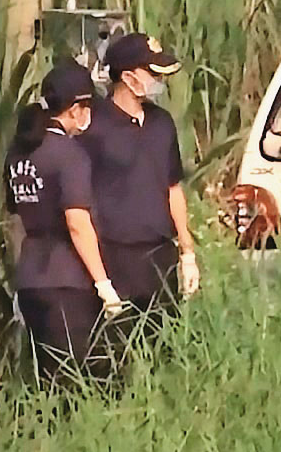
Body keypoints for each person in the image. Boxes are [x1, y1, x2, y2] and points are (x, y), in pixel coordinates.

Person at [4, 60, 126, 382]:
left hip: (30, 282)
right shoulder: (69, 155)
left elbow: (15, 219)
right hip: (66, 284)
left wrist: (18, 284)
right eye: (86, 107)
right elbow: (77, 223)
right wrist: (103, 284)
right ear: (74, 109)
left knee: (45, 379)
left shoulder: (18, 152)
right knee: (75, 383)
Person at [81, 32, 199, 349]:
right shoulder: (93, 126)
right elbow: (77, 204)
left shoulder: (162, 123)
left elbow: (173, 186)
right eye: (154, 74)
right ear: (130, 77)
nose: (159, 82)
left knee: (164, 345)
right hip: (116, 254)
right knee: (118, 348)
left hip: (161, 254)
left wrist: (187, 251)